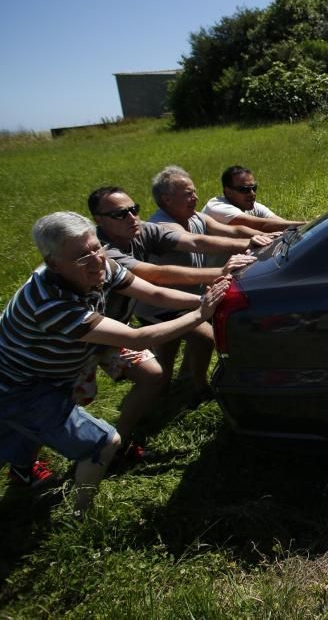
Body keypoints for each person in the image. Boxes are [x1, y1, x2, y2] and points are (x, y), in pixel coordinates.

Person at [0, 212, 228, 511]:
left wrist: (204, 300)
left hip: (76, 351)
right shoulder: (49, 303)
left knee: (152, 374)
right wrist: (201, 314)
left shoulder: (98, 264)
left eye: (97, 248)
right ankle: (76, 511)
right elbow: (138, 338)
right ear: (54, 263)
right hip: (23, 382)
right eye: (83, 256)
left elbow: (155, 293)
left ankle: (106, 447)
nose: (96, 260)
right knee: (46, 426)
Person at [88, 186, 258, 405]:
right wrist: (221, 272)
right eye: (120, 214)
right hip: (105, 326)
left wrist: (249, 243)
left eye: (134, 209)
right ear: (99, 220)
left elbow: (196, 242)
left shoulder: (140, 230)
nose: (132, 217)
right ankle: (194, 388)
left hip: (149, 305)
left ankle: (170, 394)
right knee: (204, 338)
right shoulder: (102, 252)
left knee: (163, 363)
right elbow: (156, 276)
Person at [137, 166, 273, 399]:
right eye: (188, 194)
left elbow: (232, 230)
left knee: (167, 360)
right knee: (205, 337)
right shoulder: (162, 226)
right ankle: (199, 387)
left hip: (187, 299)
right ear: (167, 199)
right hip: (163, 305)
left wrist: (261, 236)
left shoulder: (195, 217)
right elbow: (198, 242)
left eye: (194, 192)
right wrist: (247, 245)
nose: (195, 197)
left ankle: (170, 387)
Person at [201, 165, 304, 232]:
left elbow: (282, 224)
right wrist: (307, 224)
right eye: (244, 190)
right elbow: (262, 225)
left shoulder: (253, 206)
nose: (252, 193)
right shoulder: (216, 207)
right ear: (228, 192)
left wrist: (311, 226)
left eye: (254, 188)